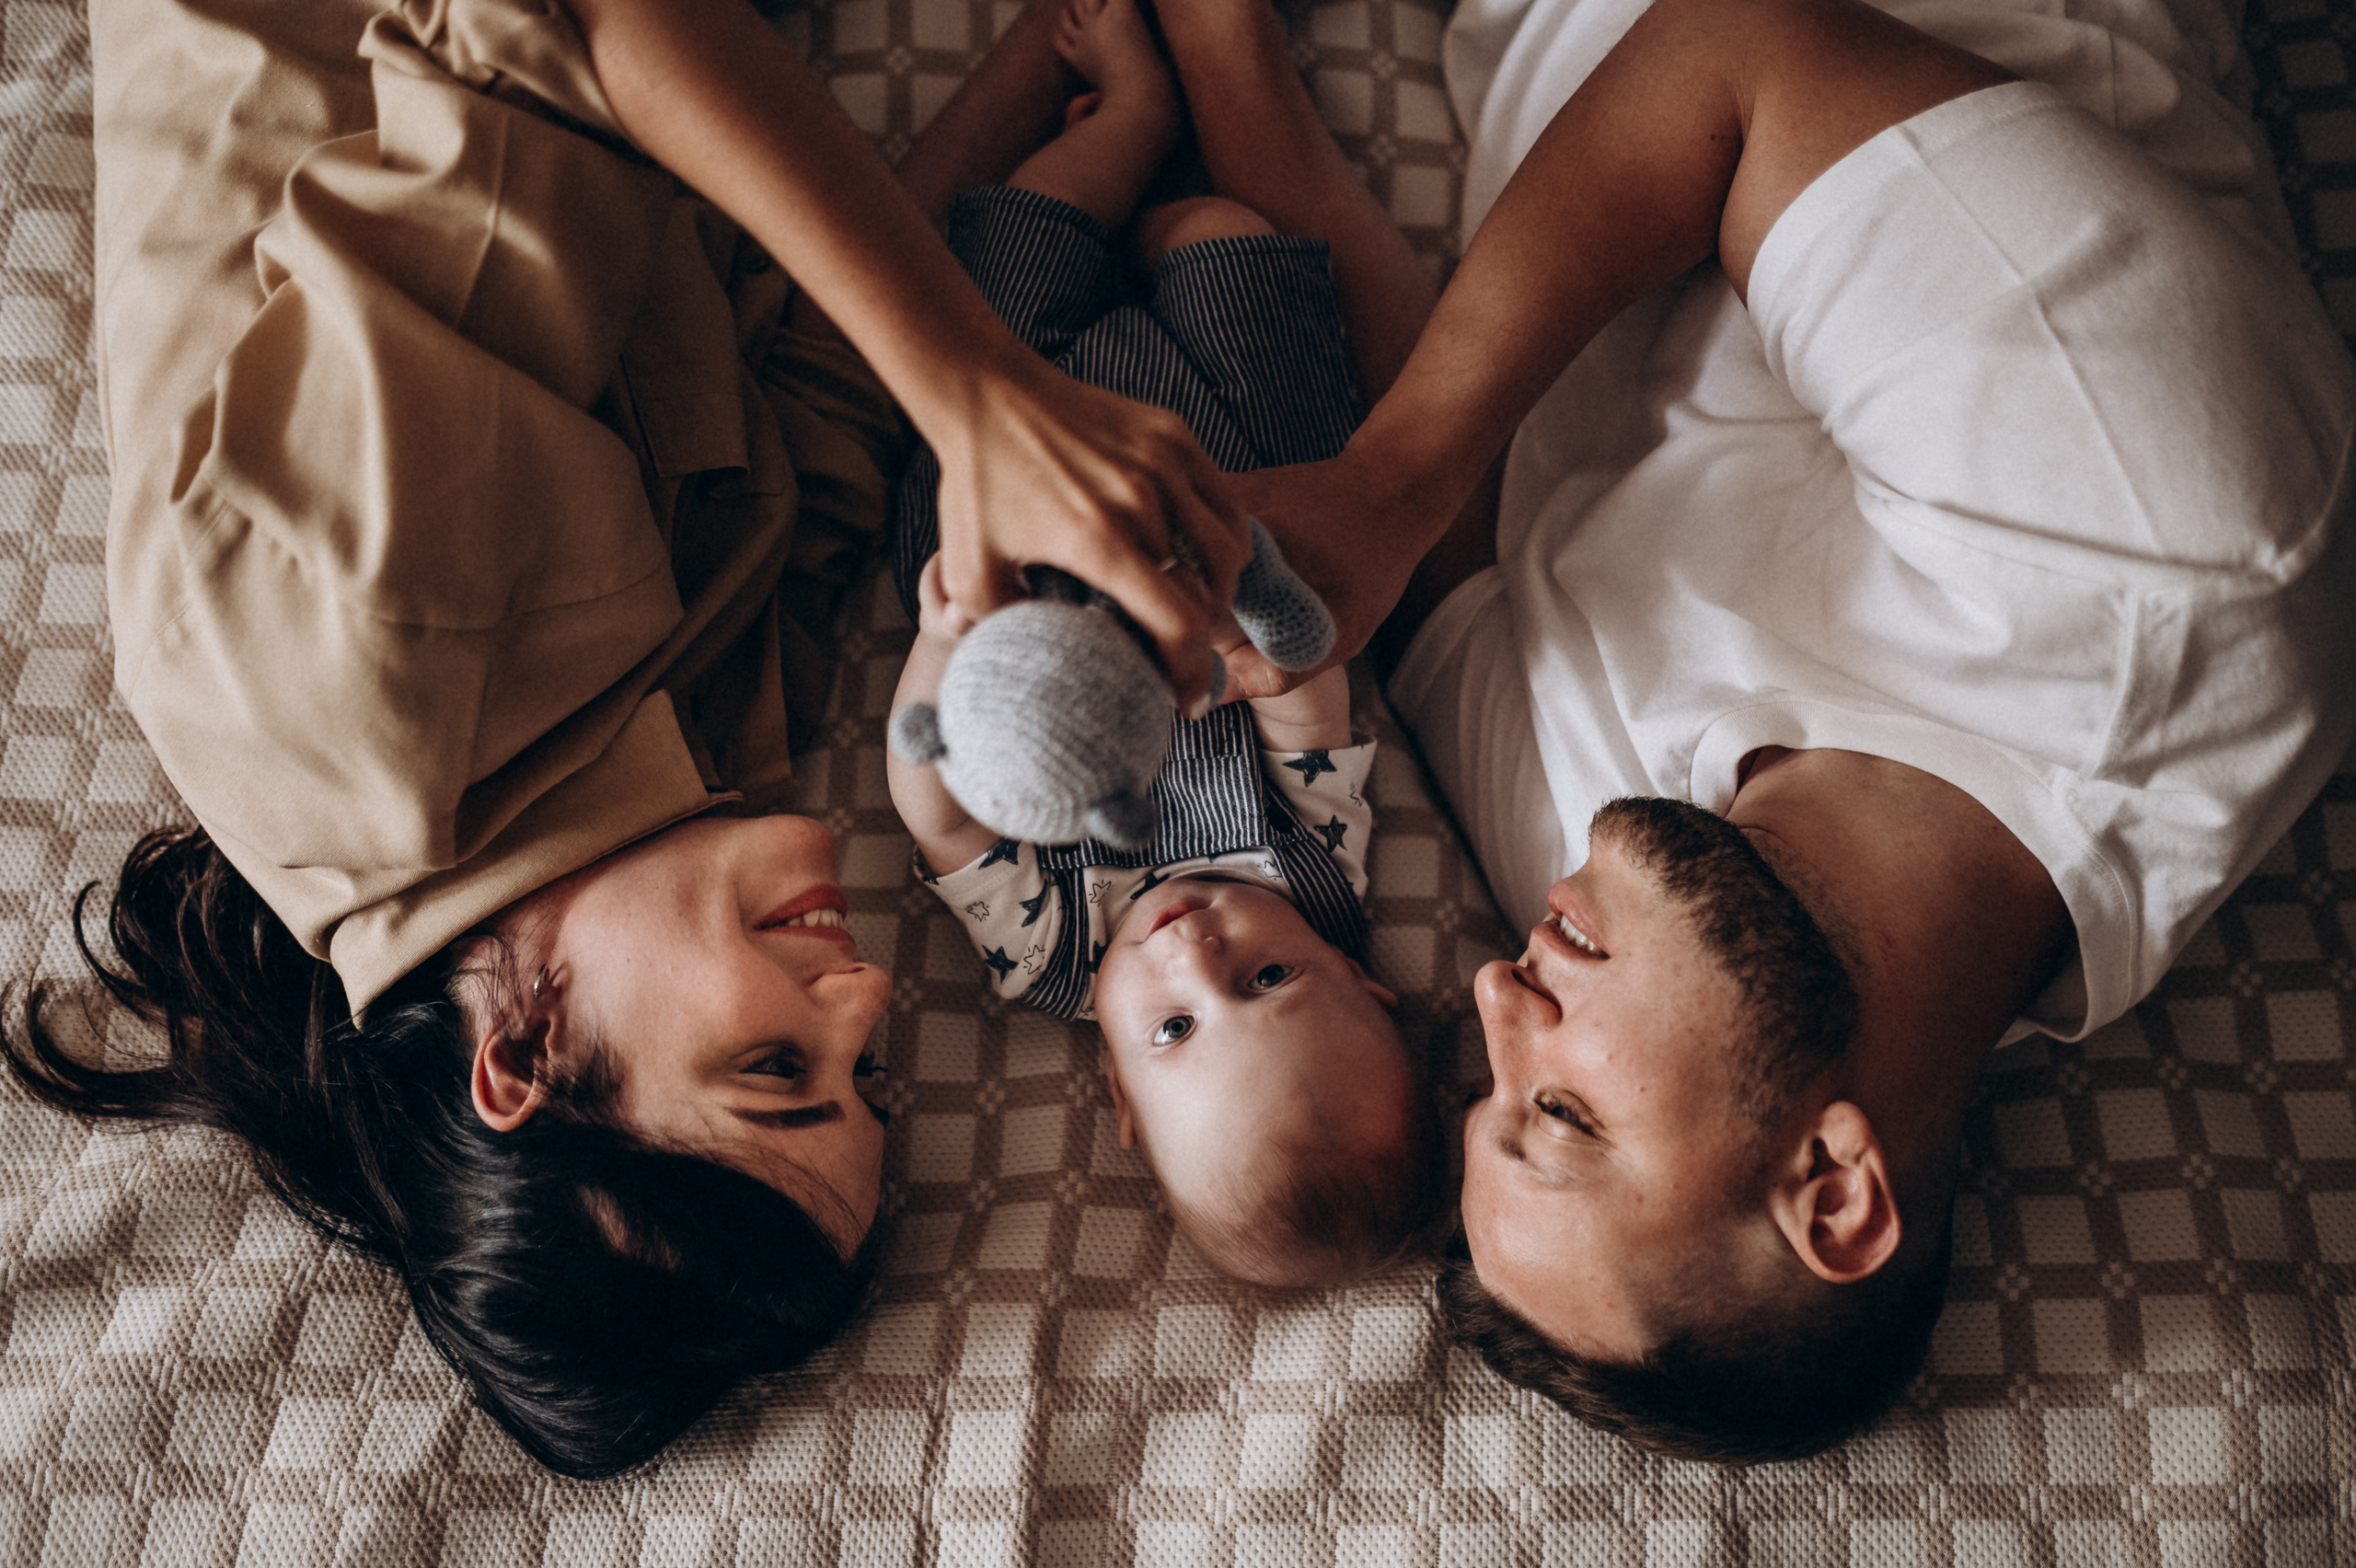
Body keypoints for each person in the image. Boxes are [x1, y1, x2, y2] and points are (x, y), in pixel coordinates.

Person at [5, 0, 1255, 1479]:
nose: (860, 997)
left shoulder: (357, 661)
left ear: (518, 1056)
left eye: (780, 1067)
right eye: (868, 1080)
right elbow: (820, 382)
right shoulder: (664, 805)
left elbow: (561, 22)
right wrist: (1063, 68)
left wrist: (976, 395)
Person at [1225, 0, 2356, 1459]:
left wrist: (1223, 60)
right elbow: (1733, 59)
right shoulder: (2169, 567)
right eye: (1561, 1116)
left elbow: (1413, 554)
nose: (1499, 1001)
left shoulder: (1634, 896)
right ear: (1834, 1183)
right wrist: (1396, 474)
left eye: (1492, 1096)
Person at [883, 0, 1440, 1286]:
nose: (1197, 947)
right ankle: (1174, 196)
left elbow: (944, 820)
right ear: (1370, 989)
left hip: (1011, 524)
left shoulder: (1056, 956)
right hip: (1226, 484)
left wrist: (949, 646)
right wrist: (1272, 644)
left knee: (1010, 258)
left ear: (1124, 1104)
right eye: (1272, 983)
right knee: (1233, 242)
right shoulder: (1316, 882)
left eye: (1179, 1027)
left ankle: (1126, 127)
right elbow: (1314, 718)